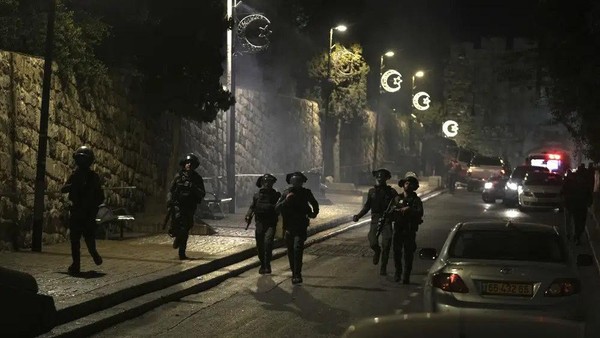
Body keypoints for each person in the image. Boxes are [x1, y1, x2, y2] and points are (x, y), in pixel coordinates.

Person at [61, 146, 104, 274]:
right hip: (77, 212)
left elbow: (100, 196)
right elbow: (64, 189)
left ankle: (94, 253)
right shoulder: (75, 176)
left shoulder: (93, 177)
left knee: (89, 238)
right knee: (75, 241)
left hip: (88, 213)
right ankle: (76, 264)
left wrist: (92, 206)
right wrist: (72, 186)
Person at [352, 169, 398, 276]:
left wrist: (395, 207)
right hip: (375, 218)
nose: (380, 178)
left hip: (386, 219)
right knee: (372, 241)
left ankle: (383, 267)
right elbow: (367, 206)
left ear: (386, 178)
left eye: (382, 177)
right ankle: (377, 251)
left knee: (387, 243)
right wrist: (358, 216)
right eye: (378, 176)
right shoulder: (372, 192)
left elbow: (397, 202)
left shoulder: (392, 192)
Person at [275, 171, 319, 284]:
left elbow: (314, 203)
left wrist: (314, 213)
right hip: (289, 226)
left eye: (298, 181)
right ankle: (294, 272)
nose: (296, 184)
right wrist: (286, 200)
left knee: (297, 249)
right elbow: (277, 208)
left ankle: (297, 274)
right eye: (295, 181)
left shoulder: (306, 193)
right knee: (290, 250)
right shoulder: (286, 193)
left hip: (300, 225)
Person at [167, 153, 206, 259]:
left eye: (191, 163)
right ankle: (181, 252)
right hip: (178, 206)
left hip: (189, 207)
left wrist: (192, 187)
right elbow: (171, 190)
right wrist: (169, 201)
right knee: (181, 227)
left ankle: (179, 239)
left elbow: (202, 193)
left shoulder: (197, 178)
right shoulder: (178, 176)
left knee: (187, 227)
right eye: (187, 163)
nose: (188, 165)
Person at [390, 176, 424, 284]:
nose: (408, 185)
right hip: (398, 229)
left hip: (409, 230)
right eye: (406, 183)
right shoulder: (397, 198)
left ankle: (406, 275)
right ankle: (398, 273)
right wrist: (396, 210)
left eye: (411, 184)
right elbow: (390, 211)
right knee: (397, 253)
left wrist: (409, 209)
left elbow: (420, 212)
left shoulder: (416, 200)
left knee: (408, 254)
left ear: (415, 187)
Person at [245, 174, 281, 274]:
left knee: (268, 243)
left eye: (269, 182)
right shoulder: (257, 195)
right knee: (260, 245)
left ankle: (267, 264)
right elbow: (252, 207)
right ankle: (262, 264)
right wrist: (248, 215)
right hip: (260, 223)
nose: (267, 184)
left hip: (271, 223)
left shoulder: (276, 195)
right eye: (265, 182)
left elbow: (280, 207)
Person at [561, 164, 593, 245]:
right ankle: (576, 236)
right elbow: (588, 193)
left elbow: (563, 191)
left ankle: (571, 235)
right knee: (578, 222)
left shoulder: (571, 181)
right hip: (578, 205)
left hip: (572, 204)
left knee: (572, 221)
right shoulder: (584, 182)